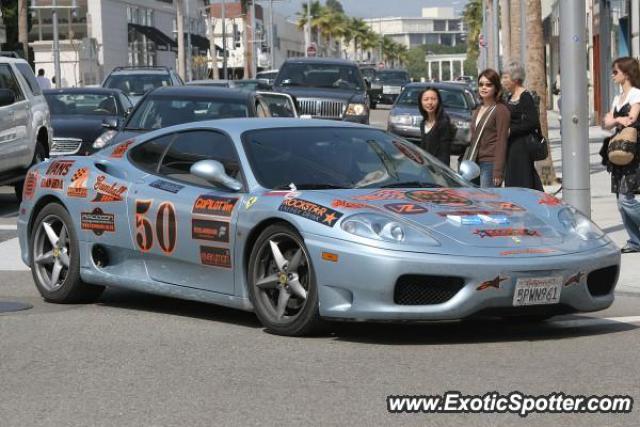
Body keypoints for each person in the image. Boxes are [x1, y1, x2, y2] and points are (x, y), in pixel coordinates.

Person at [602, 57, 640, 254]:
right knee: (620, 201)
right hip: (618, 152)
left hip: (634, 152)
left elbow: (632, 118)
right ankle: (635, 241)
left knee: (627, 198)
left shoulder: (636, 94)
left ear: (626, 73)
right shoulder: (618, 98)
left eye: (615, 71)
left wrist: (616, 120)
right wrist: (619, 119)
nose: (613, 75)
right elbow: (606, 122)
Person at [501, 62, 544, 190]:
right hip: (511, 147)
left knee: (522, 180)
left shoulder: (525, 97)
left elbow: (532, 122)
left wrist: (511, 130)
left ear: (515, 79)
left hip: (522, 148)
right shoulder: (510, 96)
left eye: (505, 77)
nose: (503, 81)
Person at [467, 69, 510, 188]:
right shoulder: (478, 109)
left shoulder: (501, 110)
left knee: (488, 202)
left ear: (496, 87)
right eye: (481, 84)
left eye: (488, 84)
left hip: (490, 164)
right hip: (474, 162)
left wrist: (498, 170)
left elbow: (502, 141)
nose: (483, 88)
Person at [417, 87, 456, 166]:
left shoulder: (443, 123)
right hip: (426, 168)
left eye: (433, 99)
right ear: (421, 102)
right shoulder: (423, 123)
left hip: (438, 170)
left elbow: (444, 154)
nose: (430, 102)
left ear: (439, 102)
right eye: (426, 99)